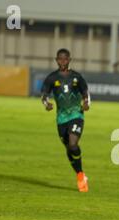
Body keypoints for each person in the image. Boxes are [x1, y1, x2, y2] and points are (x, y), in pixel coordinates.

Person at [41, 48, 90, 192]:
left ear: (69, 60)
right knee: (69, 148)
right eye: (60, 59)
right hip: (61, 119)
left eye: (65, 59)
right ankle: (80, 174)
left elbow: (85, 91)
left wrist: (86, 103)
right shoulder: (52, 78)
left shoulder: (77, 77)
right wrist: (47, 104)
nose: (62, 61)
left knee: (73, 145)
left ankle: (80, 177)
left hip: (76, 115)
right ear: (56, 60)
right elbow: (44, 94)